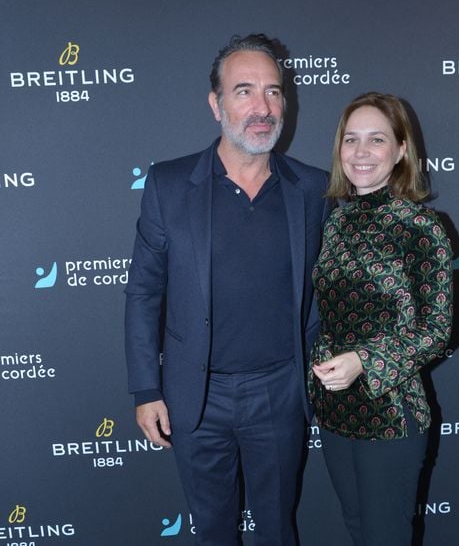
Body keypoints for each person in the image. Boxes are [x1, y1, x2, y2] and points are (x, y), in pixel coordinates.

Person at [125, 33, 331, 545]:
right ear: (216, 104)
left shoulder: (313, 189)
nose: (263, 107)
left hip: (280, 392)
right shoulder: (169, 185)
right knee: (214, 532)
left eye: (274, 91)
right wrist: (146, 389)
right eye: (244, 91)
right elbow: (144, 292)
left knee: (278, 529)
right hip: (196, 396)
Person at [309, 92, 453, 545]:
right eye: (351, 140)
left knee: (385, 537)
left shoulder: (421, 226)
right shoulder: (335, 221)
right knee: (357, 531)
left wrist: (364, 362)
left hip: (391, 413)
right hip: (334, 412)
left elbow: (436, 331)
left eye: (376, 139)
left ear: (401, 150)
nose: (361, 152)